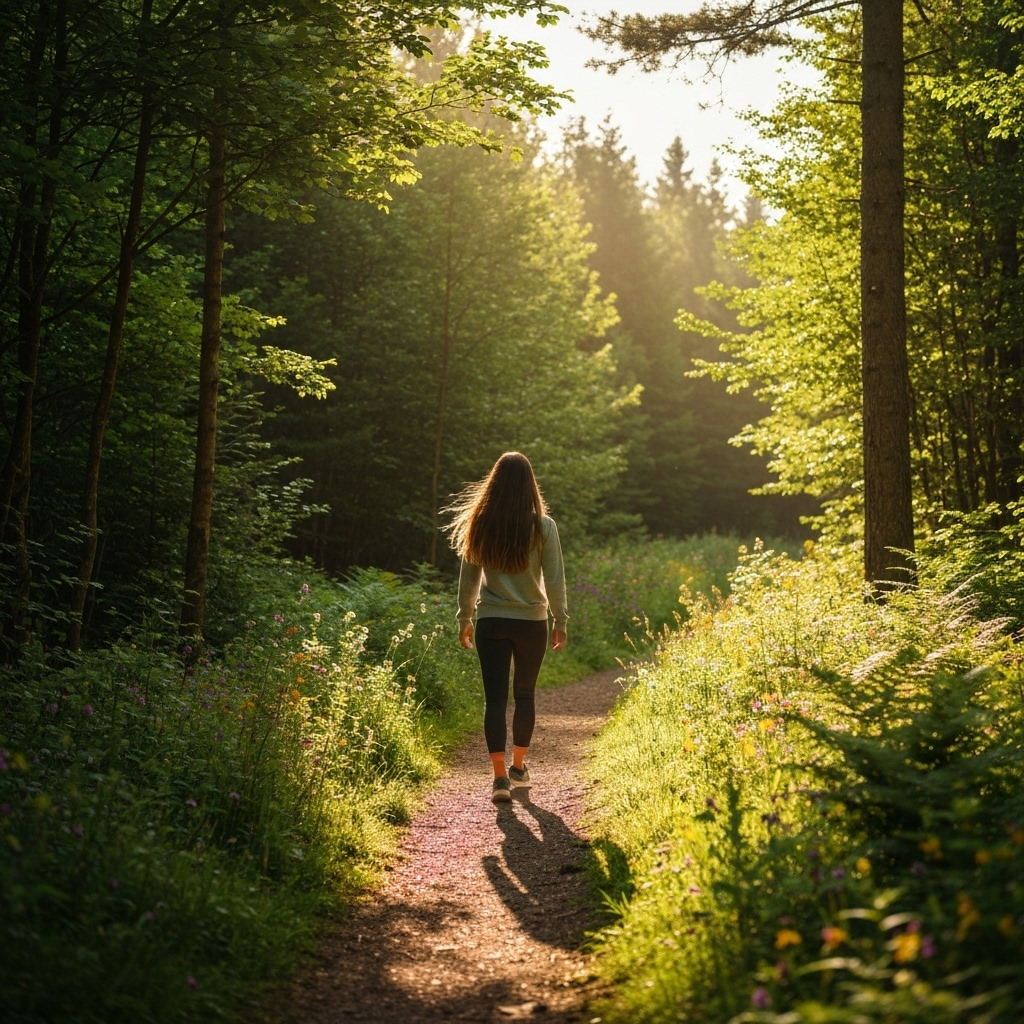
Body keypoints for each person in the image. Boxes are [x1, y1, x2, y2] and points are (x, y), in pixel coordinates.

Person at [446, 452, 568, 804]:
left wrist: (464, 617)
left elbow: (468, 579)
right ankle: (518, 767)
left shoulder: (480, 522)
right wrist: (561, 620)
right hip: (532, 622)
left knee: (495, 699)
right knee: (525, 695)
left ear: (493, 483)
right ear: (530, 484)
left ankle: (499, 778)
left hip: (491, 621)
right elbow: (555, 578)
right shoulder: (543, 526)